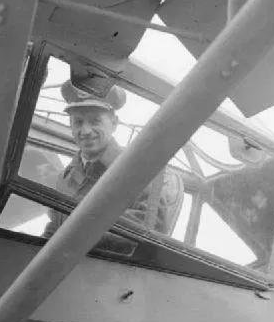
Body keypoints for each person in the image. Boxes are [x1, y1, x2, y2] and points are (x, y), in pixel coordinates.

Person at [43, 81, 175, 238]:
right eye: (78, 122)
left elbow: (151, 228)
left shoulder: (140, 169)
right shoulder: (65, 178)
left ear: (114, 123)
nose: (85, 131)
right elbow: (53, 228)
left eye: (95, 121)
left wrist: (76, 236)